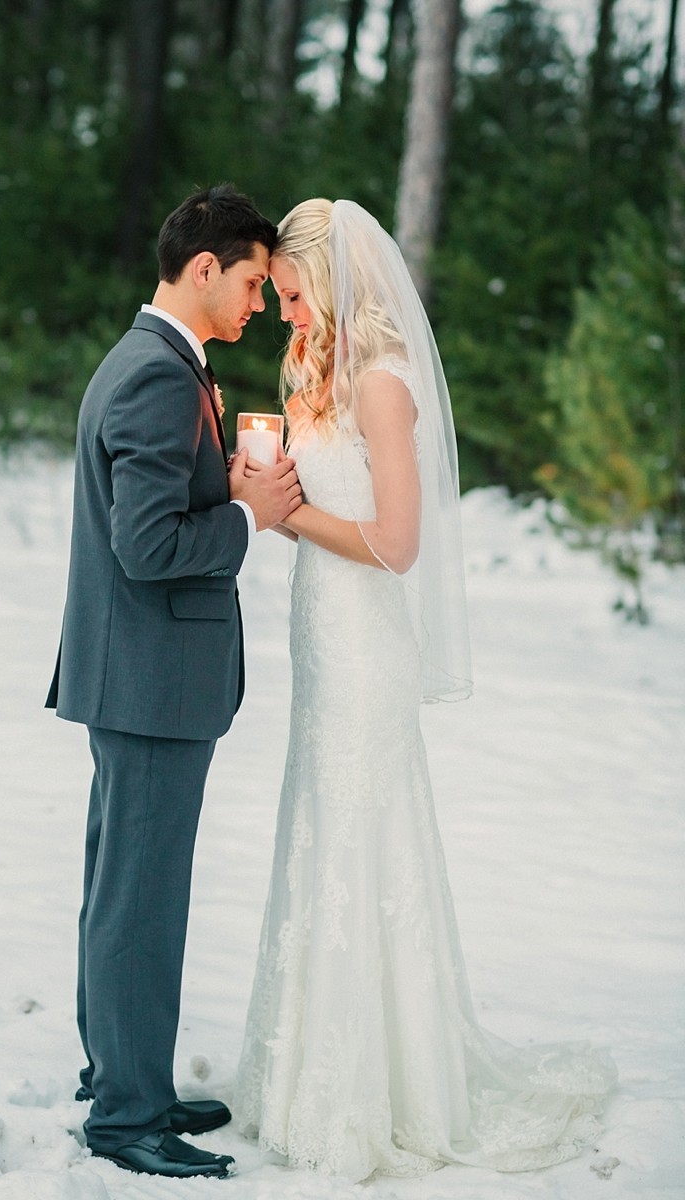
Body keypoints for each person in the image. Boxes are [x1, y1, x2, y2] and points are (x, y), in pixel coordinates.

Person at [234, 198, 616, 1182]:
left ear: (330, 283)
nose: (282, 314)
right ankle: (302, 1075)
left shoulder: (384, 386)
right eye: (274, 297)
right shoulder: (309, 372)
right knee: (315, 831)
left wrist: (285, 518)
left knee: (364, 840)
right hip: (317, 641)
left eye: (289, 295)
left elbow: (395, 546)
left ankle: (378, 1091)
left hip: (365, 648)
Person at [45, 184, 301, 1180]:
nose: (253, 301)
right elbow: (149, 546)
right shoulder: (156, 377)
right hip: (150, 681)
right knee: (139, 903)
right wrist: (249, 516)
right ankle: (124, 1115)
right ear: (202, 267)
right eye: (246, 281)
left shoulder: (153, 361)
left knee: (122, 892)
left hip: (135, 675)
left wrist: (228, 491)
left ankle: (122, 1073)